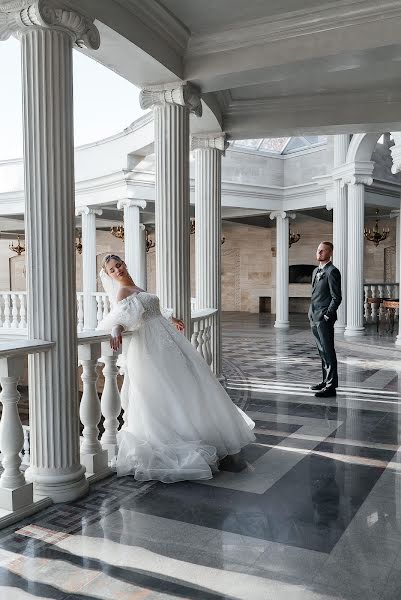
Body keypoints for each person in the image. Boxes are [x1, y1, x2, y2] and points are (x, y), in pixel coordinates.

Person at [97, 254, 255, 483]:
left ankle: (196, 432)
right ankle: (177, 435)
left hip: (167, 341)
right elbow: (124, 317)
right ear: (109, 275)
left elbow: (151, 312)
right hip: (152, 348)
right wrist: (116, 329)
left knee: (187, 386)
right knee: (166, 391)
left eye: (118, 265)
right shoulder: (122, 292)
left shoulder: (135, 286)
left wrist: (172, 319)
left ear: (125, 264)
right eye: (111, 270)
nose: (117, 270)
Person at [308, 242, 342, 398]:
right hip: (313, 316)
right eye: (317, 250)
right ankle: (324, 381)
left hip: (323, 318)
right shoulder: (316, 270)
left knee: (328, 351)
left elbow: (336, 297)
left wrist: (327, 315)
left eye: (322, 251)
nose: (319, 253)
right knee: (321, 351)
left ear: (330, 253)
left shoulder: (332, 271)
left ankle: (331, 387)